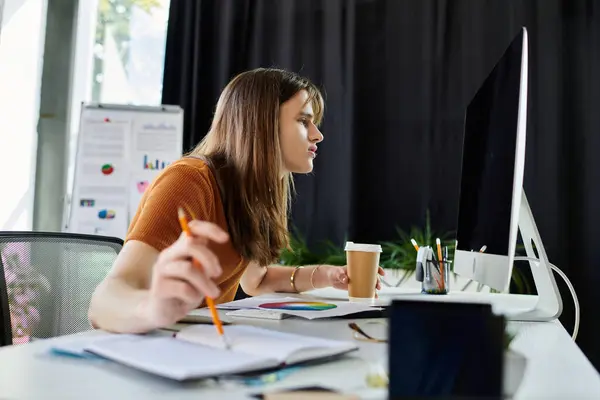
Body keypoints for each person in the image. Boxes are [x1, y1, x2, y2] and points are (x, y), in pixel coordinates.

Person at [88, 68, 384, 333]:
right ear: (261, 124)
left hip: (199, 346)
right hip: (156, 350)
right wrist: (153, 308)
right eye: (304, 121)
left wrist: (327, 276)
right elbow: (104, 301)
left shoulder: (254, 191)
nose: (317, 135)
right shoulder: (189, 181)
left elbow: (257, 280)